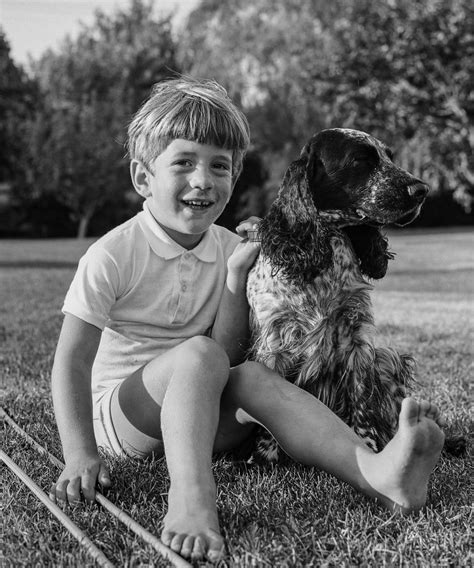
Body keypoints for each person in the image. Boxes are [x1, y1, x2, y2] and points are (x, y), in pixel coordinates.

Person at [50, 77, 446, 563]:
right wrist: (79, 454)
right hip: (125, 422)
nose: (203, 180)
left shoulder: (228, 248)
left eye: (219, 166)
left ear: (234, 178)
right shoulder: (111, 254)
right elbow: (71, 361)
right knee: (200, 354)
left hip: (200, 418)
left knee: (251, 372)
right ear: (142, 179)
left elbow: (230, 350)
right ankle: (191, 497)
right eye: (183, 163)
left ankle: (378, 473)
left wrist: (236, 279)